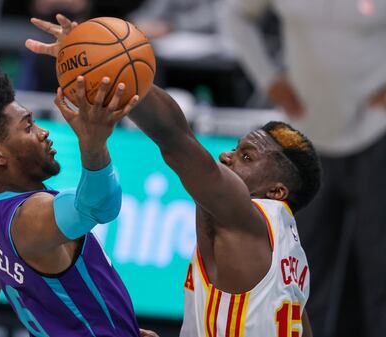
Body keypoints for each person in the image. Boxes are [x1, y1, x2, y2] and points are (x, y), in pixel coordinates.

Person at [27, 14, 322, 337]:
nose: (225, 156)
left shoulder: (244, 214)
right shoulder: (293, 259)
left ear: (276, 191)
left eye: (246, 156)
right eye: (235, 149)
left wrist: (108, 65)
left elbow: (174, 137)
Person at [0, 69, 146, 336]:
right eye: (28, 127)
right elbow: (98, 205)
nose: (43, 133)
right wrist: (93, 143)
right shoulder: (30, 215)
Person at [221, 0, 386, 335]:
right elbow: (234, 14)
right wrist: (268, 79)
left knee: (380, 265)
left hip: (378, 130)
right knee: (301, 266)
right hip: (307, 134)